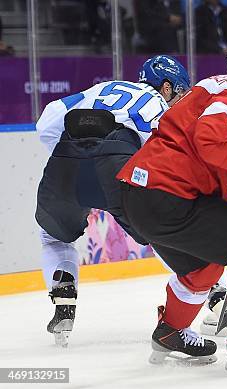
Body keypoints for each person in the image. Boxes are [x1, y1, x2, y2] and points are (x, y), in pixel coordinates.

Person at [117, 32, 227, 372]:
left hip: (138, 194)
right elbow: (210, 139)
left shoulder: (208, 85)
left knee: (205, 264)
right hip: (167, 195)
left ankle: (170, 332)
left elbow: (200, 158)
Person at [35, 55, 190, 347]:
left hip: (65, 160)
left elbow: (46, 122)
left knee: (53, 237)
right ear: (166, 87)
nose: (179, 99)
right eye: (179, 92)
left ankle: (63, 294)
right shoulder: (158, 104)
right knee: (162, 232)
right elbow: (171, 153)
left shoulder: (102, 88)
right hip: (118, 165)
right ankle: (216, 293)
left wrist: (73, 156)